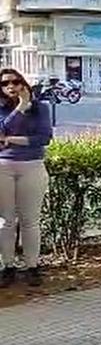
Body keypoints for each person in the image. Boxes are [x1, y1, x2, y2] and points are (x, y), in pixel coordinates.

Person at [0, 68, 53, 287]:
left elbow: (44, 138)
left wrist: (10, 139)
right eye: (4, 84)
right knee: (6, 221)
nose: (10, 86)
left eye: (15, 81)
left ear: (23, 83)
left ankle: (32, 266)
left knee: (31, 221)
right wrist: (20, 108)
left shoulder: (41, 108)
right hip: (3, 166)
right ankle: (8, 266)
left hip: (32, 166)